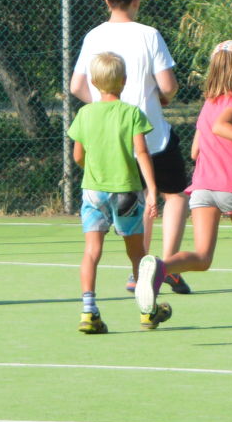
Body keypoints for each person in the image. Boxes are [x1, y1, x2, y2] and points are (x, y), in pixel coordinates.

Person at [135, 40, 232, 340]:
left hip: (203, 188)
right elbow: (222, 128)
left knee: (202, 257)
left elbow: (197, 150)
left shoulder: (209, 104)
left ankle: (160, 266)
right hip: (231, 187)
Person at [69, 0, 192, 296]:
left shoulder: (94, 36)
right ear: (136, 1)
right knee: (175, 195)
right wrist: (163, 96)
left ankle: (139, 274)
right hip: (151, 138)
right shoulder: (149, 34)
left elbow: (77, 86)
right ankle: (167, 267)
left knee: (136, 199)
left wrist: (101, 108)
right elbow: (168, 86)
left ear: (107, 1)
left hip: (111, 142)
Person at [68, 52, 164, 331]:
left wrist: (93, 169)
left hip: (93, 193)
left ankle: (88, 311)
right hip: (127, 194)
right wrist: (153, 190)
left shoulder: (84, 113)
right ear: (123, 81)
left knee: (91, 251)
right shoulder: (132, 113)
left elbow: (77, 156)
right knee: (137, 254)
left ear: (95, 83)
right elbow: (142, 152)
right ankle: (147, 311)